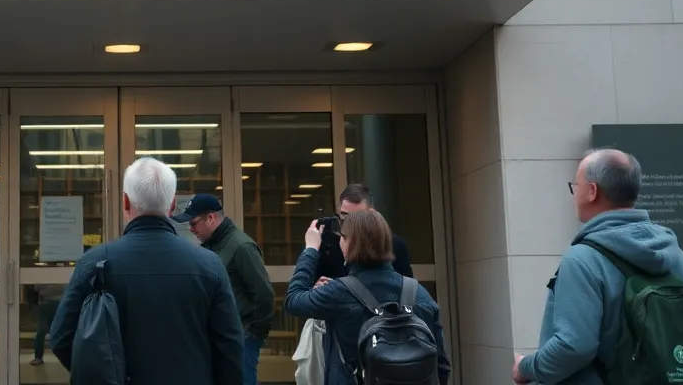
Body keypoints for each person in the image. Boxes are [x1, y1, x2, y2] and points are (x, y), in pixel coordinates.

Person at [513, 148, 683, 385]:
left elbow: (573, 347)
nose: (574, 193)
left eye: (575, 185)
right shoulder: (680, 258)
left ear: (592, 191)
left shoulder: (582, 259)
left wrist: (526, 367)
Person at [50, 157, 244, 385]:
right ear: (172, 205)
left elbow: (62, 338)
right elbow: (230, 348)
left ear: (125, 202)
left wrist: (103, 372)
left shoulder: (93, 262)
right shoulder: (210, 265)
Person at [285, 209, 450, 385]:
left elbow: (294, 299)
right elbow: (441, 365)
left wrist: (311, 249)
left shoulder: (340, 292)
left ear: (349, 243)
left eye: (342, 237)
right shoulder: (419, 293)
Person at [173, 194, 275, 385]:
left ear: (211, 218)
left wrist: (253, 332)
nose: (191, 229)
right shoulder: (213, 245)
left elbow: (264, 294)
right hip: (224, 333)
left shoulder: (241, 247)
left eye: (194, 223)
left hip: (242, 335)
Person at [314, 184, 413, 282]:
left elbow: (405, 287)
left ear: (372, 213)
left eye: (357, 216)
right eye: (344, 215)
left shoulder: (392, 243)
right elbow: (311, 283)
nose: (349, 222)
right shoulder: (328, 242)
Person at [27, 284, 66, 366]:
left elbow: (36, 287)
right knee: (43, 330)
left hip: (55, 301)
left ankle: (38, 357)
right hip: (50, 302)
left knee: (44, 330)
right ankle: (38, 357)